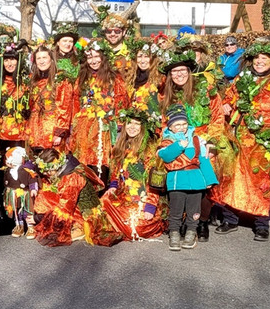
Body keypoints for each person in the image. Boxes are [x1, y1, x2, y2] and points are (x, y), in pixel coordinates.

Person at [213, 37, 270, 241]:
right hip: (238, 137)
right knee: (232, 177)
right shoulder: (243, 78)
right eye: (257, 57)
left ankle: (261, 223)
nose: (259, 61)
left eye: (265, 57)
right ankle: (230, 218)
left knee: (262, 181)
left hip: (264, 141)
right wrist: (226, 105)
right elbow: (230, 97)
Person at [159, 47, 226, 242]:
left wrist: (211, 142)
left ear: (189, 71)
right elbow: (164, 122)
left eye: (182, 70)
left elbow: (218, 116)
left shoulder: (204, 89)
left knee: (203, 179)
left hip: (202, 140)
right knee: (175, 176)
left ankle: (201, 221)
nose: (178, 75)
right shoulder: (167, 94)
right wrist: (168, 140)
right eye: (174, 71)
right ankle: (177, 221)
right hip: (176, 139)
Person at [88, 108, 165, 245]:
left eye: (137, 124)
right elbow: (115, 173)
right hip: (123, 195)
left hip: (144, 197)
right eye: (129, 123)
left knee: (135, 228)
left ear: (143, 127)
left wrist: (150, 206)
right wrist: (112, 186)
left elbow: (155, 180)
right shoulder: (120, 146)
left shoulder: (149, 148)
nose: (132, 127)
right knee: (102, 208)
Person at [158, 106, 219, 251]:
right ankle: (174, 234)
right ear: (171, 127)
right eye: (177, 124)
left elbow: (203, 160)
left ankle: (191, 233)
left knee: (194, 210)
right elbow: (165, 156)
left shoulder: (196, 140)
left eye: (184, 124)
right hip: (177, 181)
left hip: (196, 180)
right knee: (176, 210)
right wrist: (179, 146)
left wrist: (209, 179)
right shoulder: (167, 140)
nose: (181, 127)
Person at [69, 40, 130, 183]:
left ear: (103, 58)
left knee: (101, 164)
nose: (93, 61)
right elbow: (76, 102)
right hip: (84, 129)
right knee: (83, 164)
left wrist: (120, 127)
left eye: (97, 56)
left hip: (105, 129)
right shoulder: (82, 78)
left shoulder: (114, 78)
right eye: (90, 57)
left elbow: (121, 103)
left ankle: (101, 197)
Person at [25, 43, 74, 154]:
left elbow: (64, 107)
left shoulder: (61, 79)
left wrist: (59, 133)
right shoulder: (33, 80)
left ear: (51, 59)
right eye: (38, 58)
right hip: (34, 131)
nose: (41, 61)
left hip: (51, 131)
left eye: (44, 57)